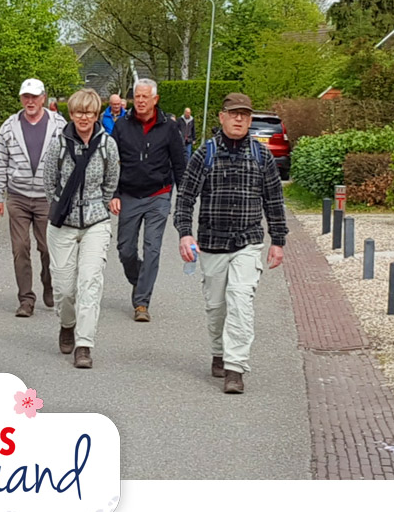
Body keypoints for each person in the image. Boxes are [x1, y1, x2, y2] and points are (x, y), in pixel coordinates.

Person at [174, 92, 287, 394]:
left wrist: (278, 240)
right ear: (222, 117)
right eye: (234, 114)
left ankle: (235, 368)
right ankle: (219, 353)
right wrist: (185, 233)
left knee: (240, 299)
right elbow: (185, 198)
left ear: (250, 120)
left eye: (245, 115)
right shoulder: (205, 154)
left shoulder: (262, 157)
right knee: (217, 307)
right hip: (212, 243)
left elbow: (274, 201)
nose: (239, 119)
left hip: (248, 241)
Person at [43, 88, 120, 368]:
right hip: (63, 222)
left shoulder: (107, 144)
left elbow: (112, 180)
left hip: (96, 222)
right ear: (71, 114)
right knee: (64, 288)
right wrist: (63, 205)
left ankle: (84, 344)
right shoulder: (59, 144)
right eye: (78, 112)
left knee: (90, 282)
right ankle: (67, 323)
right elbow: (49, 181)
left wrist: (98, 204)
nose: (83, 117)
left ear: (97, 114)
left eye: (88, 112)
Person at [109, 78, 186, 322]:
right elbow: (111, 162)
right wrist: (113, 194)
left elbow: (179, 163)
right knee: (125, 249)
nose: (141, 101)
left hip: (158, 195)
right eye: (137, 96)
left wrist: (184, 195)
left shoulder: (169, 127)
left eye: (145, 97)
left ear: (155, 99)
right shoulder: (121, 126)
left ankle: (142, 303)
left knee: (152, 248)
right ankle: (140, 278)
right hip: (129, 195)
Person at [0, 78, 67, 317]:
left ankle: (48, 283)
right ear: (21, 98)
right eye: (26, 96)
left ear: (44, 97)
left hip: (47, 197)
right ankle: (25, 299)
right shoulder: (8, 126)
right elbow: (0, 162)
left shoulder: (59, 125)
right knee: (20, 247)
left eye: (34, 96)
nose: (30, 101)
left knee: (47, 249)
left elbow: (68, 160)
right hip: (18, 197)